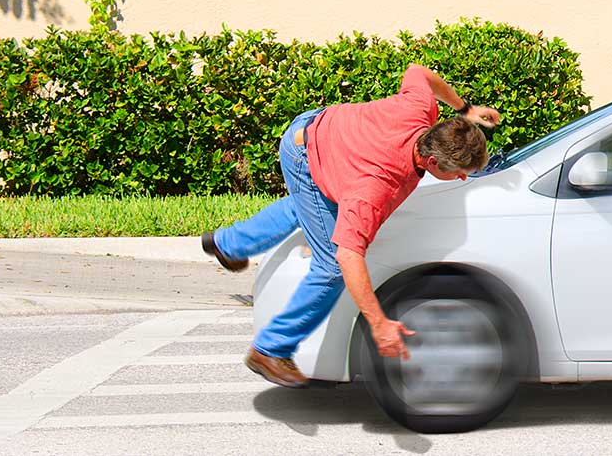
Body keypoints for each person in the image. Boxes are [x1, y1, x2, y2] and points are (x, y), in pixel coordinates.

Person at [200, 63, 500, 388]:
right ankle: (271, 349)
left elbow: (418, 72)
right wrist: (379, 323)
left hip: (322, 128)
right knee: (329, 266)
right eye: (457, 172)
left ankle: (227, 243)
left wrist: (465, 108)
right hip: (306, 152)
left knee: (307, 206)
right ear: (431, 161)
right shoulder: (375, 187)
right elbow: (347, 256)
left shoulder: (420, 109)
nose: (462, 178)